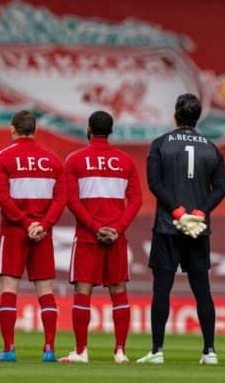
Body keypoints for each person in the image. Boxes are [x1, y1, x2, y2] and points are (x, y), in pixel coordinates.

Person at [136, 93, 225, 365]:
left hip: (167, 227)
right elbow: (220, 189)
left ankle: (157, 351)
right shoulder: (212, 148)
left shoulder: (160, 144)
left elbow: (154, 183)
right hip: (198, 230)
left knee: (161, 290)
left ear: (176, 114)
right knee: (202, 290)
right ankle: (209, 351)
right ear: (197, 117)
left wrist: (178, 213)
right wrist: (198, 214)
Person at [59, 111, 142, 364]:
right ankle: (120, 351)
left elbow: (71, 200)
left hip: (87, 236)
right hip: (116, 237)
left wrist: (96, 227)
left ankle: (81, 351)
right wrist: (117, 228)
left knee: (82, 291)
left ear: (88, 129)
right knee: (119, 290)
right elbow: (136, 200)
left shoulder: (75, 160)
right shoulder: (125, 161)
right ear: (111, 130)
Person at [0, 110, 66, 362]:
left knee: (9, 289)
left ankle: (9, 349)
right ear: (34, 129)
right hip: (42, 234)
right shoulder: (52, 160)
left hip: (14, 232)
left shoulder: (4, 157)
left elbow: (3, 198)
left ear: (12, 129)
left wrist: (25, 223)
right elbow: (60, 199)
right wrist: (42, 225)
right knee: (45, 290)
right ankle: (49, 349)